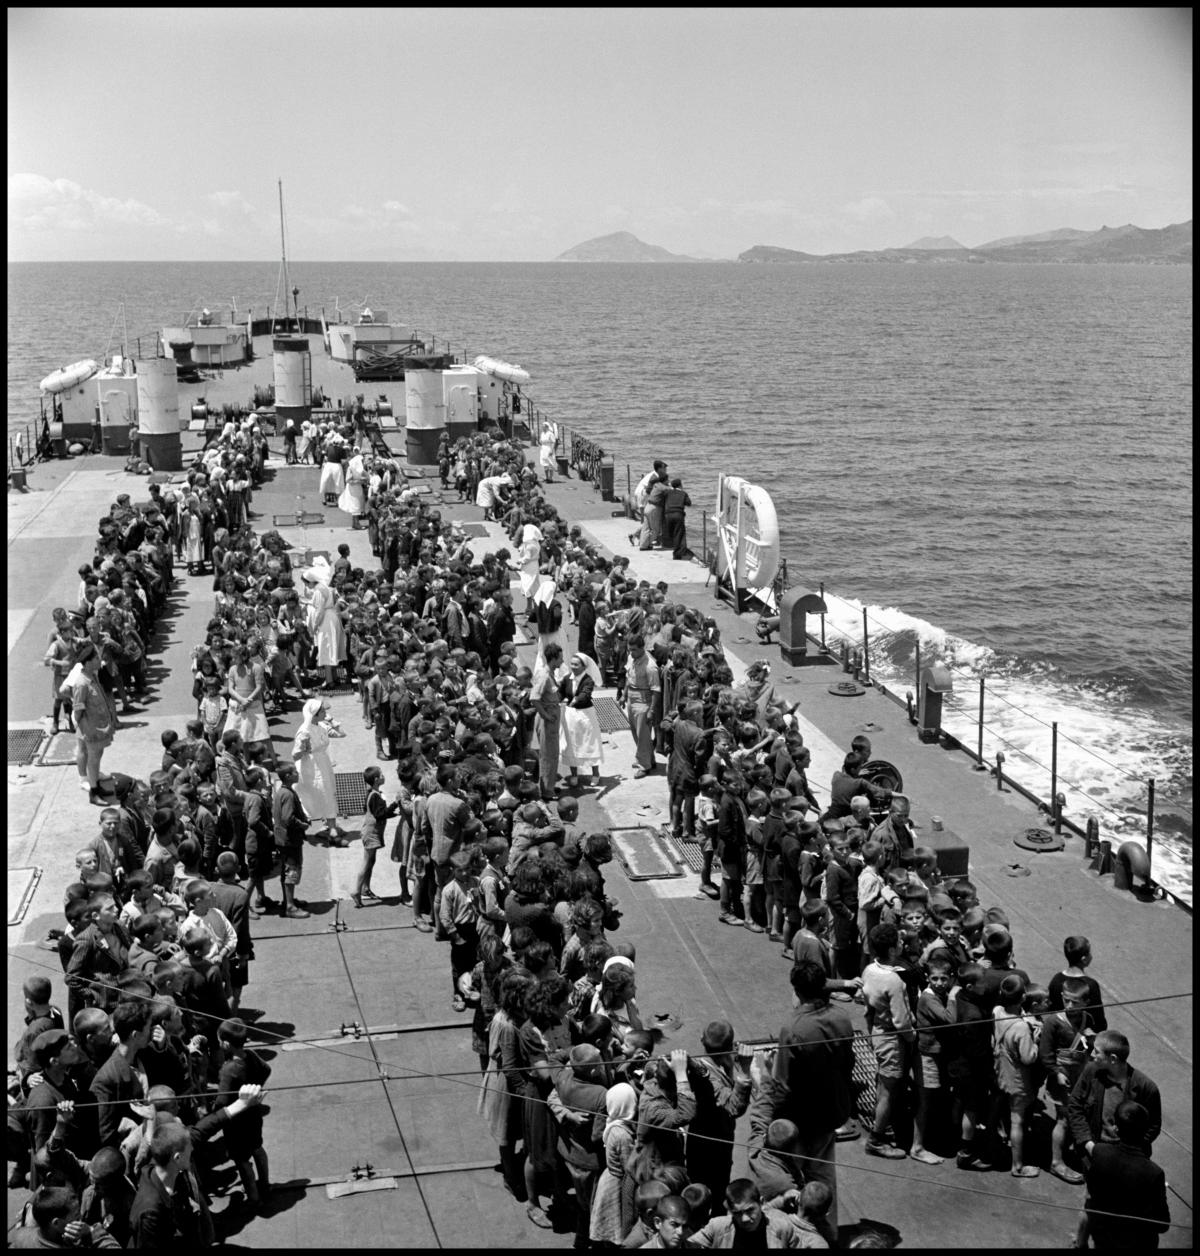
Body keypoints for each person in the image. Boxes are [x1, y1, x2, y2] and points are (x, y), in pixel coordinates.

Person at [773, 960, 855, 1233]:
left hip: (801, 1117)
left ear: (796, 990)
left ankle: (797, 1233)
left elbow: (782, 1084)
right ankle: (829, 1232)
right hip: (832, 1110)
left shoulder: (793, 1028)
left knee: (792, 1178)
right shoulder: (843, 1018)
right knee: (823, 1175)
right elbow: (848, 1063)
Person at [859, 924, 917, 1160]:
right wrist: (912, 1038)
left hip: (877, 1031)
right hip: (892, 1038)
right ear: (892, 949)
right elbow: (901, 1021)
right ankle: (876, 1138)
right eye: (899, 942)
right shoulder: (893, 980)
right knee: (888, 1091)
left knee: (883, 1082)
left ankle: (884, 1123)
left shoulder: (869, 970)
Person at [1082, 1100, 1170, 1250]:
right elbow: (1162, 1224)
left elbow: (1092, 1194)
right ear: (1145, 1131)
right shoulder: (1154, 1173)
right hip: (1137, 1242)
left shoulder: (1100, 1153)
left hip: (1104, 1238)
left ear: (1116, 1129)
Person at [64, 643, 115, 802]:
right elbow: (78, 707)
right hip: (90, 729)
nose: (100, 660)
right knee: (93, 759)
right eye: (96, 658)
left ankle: (96, 785)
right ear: (87, 662)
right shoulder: (81, 682)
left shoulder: (92, 676)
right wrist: (81, 727)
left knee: (97, 756)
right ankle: (94, 793)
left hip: (99, 726)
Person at [687, 1179, 805, 1248]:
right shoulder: (717, 1226)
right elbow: (688, 1244)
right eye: (737, 1213)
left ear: (761, 1203)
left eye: (750, 1210)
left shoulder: (783, 1228)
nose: (744, 1219)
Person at [590, 1082, 639, 1245]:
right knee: (616, 1224)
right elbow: (629, 1166)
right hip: (618, 1183)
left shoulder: (614, 1122)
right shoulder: (622, 1135)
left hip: (609, 1175)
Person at [292, 697, 342, 845]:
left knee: (327, 793)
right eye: (323, 710)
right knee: (312, 796)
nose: (325, 712)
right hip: (310, 767)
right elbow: (295, 754)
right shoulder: (303, 731)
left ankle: (330, 827)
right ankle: (304, 828)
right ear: (315, 714)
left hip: (323, 764)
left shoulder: (321, 726)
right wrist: (303, 747)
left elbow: (342, 734)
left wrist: (333, 722)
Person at [353, 765, 399, 907]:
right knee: (367, 861)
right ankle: (356, 890)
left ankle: (366, 888)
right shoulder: (375, 796)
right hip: (371, 833)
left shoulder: (373, 793)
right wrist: (395, 804)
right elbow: (380, 814)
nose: (384, 776)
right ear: (376, 779)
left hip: (372, 832)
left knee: (371, 861)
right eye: (381, 774)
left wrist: (393, 813)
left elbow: (378, 812)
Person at [560, 652, 604, 788]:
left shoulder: (588, 680)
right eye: (572, 664)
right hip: (570, 716)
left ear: (584, 667)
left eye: (576, 664)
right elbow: (560, 693)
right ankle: (574, 774)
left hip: (586, 715)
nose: (573, 667)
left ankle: (595, 774)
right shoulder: (566, 678)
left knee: (590, 743)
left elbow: (585, 693)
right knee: (572, 744)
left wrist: (576, 700)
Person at [621, 633, 661, 778]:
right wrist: (624, 694)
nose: (631, 653)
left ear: (642, 648)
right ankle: (649, 759)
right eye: (629, 649)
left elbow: (656, 690)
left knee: (643, 734)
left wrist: (651, 710)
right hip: (632, 696)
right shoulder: (631, 657)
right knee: (635, 732)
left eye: (634, 650)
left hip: (644, 700)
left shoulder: (650, 666)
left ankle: (644, 766)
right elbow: (628, 676)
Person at [530, 642, 565, 800]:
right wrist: (545, 715)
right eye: (560, 658)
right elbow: (535, 698)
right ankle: (547, 790)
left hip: (551, 716)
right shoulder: (544, 676)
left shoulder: (548, 673)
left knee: (552, 752)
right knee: (548, 754)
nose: (562, 661)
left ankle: (549, 785)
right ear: (554, 659)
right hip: (548, 718)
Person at [661, 477, 692, 560]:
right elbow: (689, 503)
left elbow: (662, 500)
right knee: (679, 534)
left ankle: (669, 546)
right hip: (678, 514)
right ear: (680, 485)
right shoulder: (683, 493)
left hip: (667, 515)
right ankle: (677, 554)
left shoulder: (667, 492)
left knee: (671, 533)